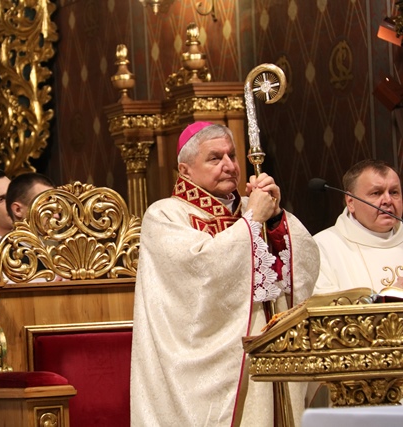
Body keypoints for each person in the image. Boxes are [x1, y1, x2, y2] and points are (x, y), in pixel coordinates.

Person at [130, 122, 319, 426]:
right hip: (202, 369)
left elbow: (304, 263)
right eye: (215, 158)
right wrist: (253, 219)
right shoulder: (165, 215)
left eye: (232, 155)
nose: (230, 166)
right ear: (185, 170)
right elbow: (203, 274)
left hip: (266, 354)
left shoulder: (250, 210)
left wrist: (275, 219)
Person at [313, 159, 403, 295]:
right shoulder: (322, 248)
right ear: (350, 202)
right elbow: (325, 305)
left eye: (394, 192)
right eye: (376, 193)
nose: (388, 200)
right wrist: (392, 295)